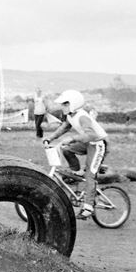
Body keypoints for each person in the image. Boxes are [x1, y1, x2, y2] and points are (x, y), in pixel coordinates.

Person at [43, 90, 108, 220]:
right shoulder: (70, 116)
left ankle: (88, 208)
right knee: (67, 150)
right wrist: (50, 138)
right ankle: (76, 172)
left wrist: (73, 138)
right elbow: (63, 128)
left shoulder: (82, 116)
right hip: (87, 143)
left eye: (65, 104)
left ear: (73, 104)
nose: (62, 107)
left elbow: (91, 135)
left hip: (97, 145)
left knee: (90, 175)